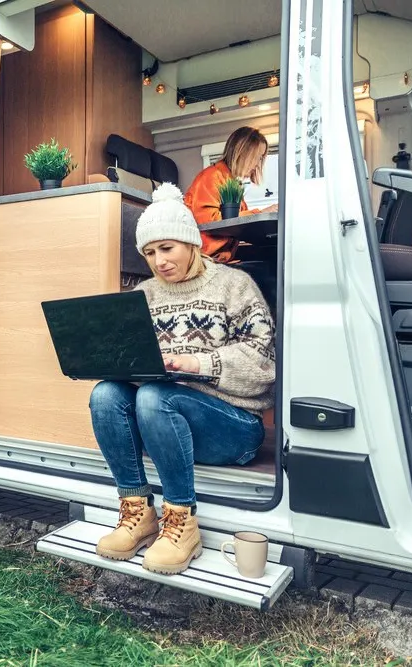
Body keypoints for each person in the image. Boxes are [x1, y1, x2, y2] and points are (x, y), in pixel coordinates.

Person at [90, 182, 275, 575]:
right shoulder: (144, 294)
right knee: (106, 393)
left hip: (235, 428)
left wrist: (196, 363)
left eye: (167, 248)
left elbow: (264, 365)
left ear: (191, 243)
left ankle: (182, 522)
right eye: (150, 253)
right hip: (163, 424)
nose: (159, 261)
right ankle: (137, 512)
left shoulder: (235, 285)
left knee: (157, 396)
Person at [183, 126, 278, 263]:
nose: (258, 164)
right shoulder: (211, 176)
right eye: (256, 157)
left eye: (260, 158)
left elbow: (239, 224)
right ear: (242, 153)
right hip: (207, 258)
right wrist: (260, 213)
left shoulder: (233, 184)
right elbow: (209, 221)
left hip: (223, 257)